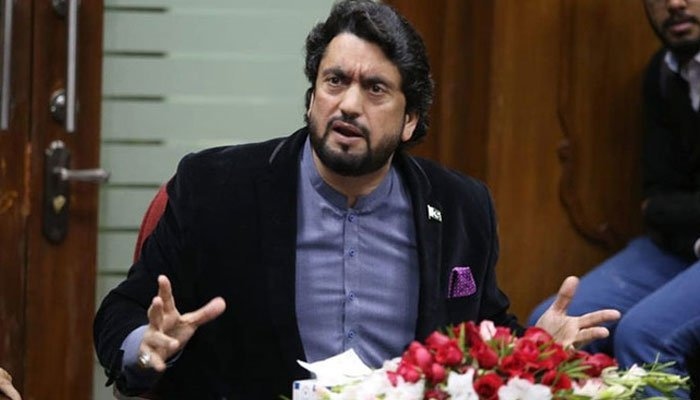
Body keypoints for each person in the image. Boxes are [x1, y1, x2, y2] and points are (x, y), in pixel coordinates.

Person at [94, 1, 619, 398]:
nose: (347, 103)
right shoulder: (216, 187)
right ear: (309, 99)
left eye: (375, 89)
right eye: (334, 81)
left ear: (410, 119)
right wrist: (147, 346)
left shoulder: (461, 207)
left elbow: (480, 331)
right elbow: (121, 312)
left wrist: (531, 350)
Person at [529, 0, 700, 395]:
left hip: (680, 237)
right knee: (555, 324)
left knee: (646, 336)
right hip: (676, 245)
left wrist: (675, 213)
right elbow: (656, 202)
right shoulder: (663, 73)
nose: (675, 3)